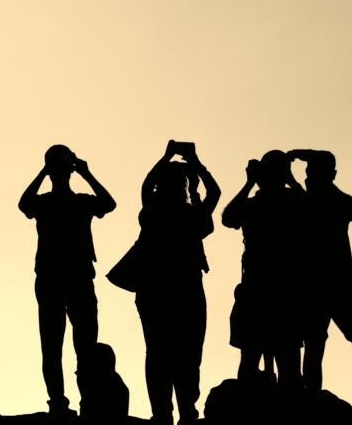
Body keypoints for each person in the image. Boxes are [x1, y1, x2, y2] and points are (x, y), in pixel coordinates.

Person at [18, 145, 116, 415]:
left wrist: (86, 172)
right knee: (55, 346)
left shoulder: (81, 202)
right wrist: (45, 172)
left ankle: (84, 402)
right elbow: (24, 204)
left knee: (82, 348)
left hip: (75, 280)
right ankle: (60, 402)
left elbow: (109, 204)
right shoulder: (46, 202)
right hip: (57, 280)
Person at [131, 141, 220, 424]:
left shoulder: (186, 213)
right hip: (168, 290)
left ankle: (173, 412)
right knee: (175, 354)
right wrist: (193, 163)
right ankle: (174, 412)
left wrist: (177, 160)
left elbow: (213, 194)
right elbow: (214, 192)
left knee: (172, 353)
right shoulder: (158, 211)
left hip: (177, 290)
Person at [222, 150, 305, 390]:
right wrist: (249, 183)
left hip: (283, 291)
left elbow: (316, 215)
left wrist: (290, 181)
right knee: (251, 358)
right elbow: (229, 219)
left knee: (287, 363)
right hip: (259, 290)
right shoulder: (254, 204)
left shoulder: (294, 201)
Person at [287, 149, 352, 393]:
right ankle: (312, 400)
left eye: (312, 174)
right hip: (318, 287)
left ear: (331, 175)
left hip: (335, 285)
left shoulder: (340, 202)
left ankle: (313, 400)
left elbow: (313, 206)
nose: (307, 179)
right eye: (308, 174)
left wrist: (293, 179)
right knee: (313, 347)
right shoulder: (340, 201)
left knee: (314, 346)